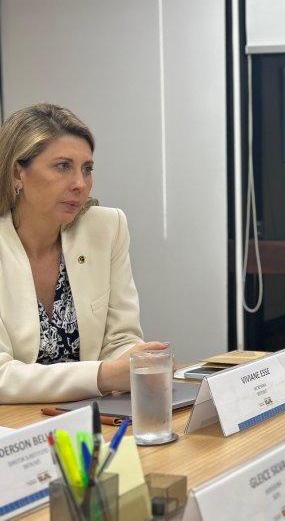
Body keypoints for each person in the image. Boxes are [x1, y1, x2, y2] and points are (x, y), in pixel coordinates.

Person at [0, 103, 168, 404]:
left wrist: (133, 363)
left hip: (91, 415)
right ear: (17, 173)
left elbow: (121, 339)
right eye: (63, 166)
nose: (80, 184)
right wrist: (103, 376)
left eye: (87, 169)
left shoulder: (107, 227)